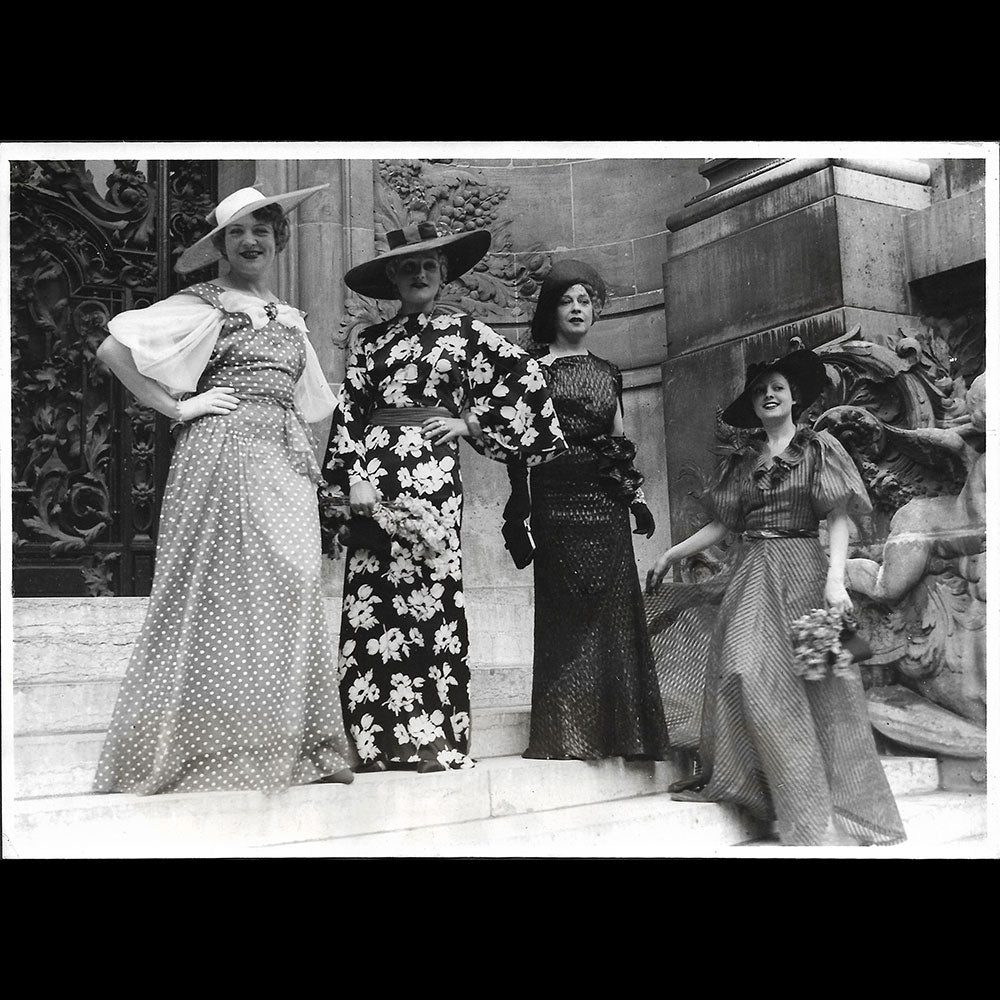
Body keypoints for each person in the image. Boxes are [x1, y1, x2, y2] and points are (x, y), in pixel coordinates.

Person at [93, 184, 357, 795]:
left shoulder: (290, 316)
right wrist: (180, 409)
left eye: (261, 228)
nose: (250, 241)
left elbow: (311, 401)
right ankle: (205, 751)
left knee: (292, 590)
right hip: (221, 455)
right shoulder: (205, 302)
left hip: (282, 461)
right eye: (236, 233)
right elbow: (113, 348)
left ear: (279, 238)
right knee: (221, 598)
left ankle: (311, 745)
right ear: (221, 246)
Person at [322, 222, 566, 773]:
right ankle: (372, 742)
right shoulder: (372, 342)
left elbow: (523, 376)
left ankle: (432, 739)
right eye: (407, 267)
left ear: (443, 272)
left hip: (433, 476)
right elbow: (349, 413)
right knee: (373, 597)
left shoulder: (464, 332)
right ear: (392, 275)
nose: (419, 275)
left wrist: (468, 422)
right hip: (376, 473)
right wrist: (356, 475)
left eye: (429, 265)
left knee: (430, 596)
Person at [645, 349, 906, 846]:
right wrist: (669, 554)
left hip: (808, 573)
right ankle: (778, 798)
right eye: (760, 388)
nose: (768, 393)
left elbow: (837, 518)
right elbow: (724, 524)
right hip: (753, 579)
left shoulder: (819, 448)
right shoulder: (744, 461)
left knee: (827, 688)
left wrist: (835, 579)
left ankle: (839, 816)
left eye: (778, 387)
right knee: (744, 669)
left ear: (795, 398)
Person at [501, 260, 669, 761]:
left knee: (613, 611)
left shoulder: (608, 371)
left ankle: (625, 734)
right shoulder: (529, 369)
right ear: (550, 310)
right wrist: (521, 511)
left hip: (603, 503)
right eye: (567, 300)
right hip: (555, 499)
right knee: (566, 614)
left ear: (594, 311)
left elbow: (619, 442)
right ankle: (565, 734)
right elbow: (517, 443)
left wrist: (634, 500)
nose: (577, 308)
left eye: (585, 301)